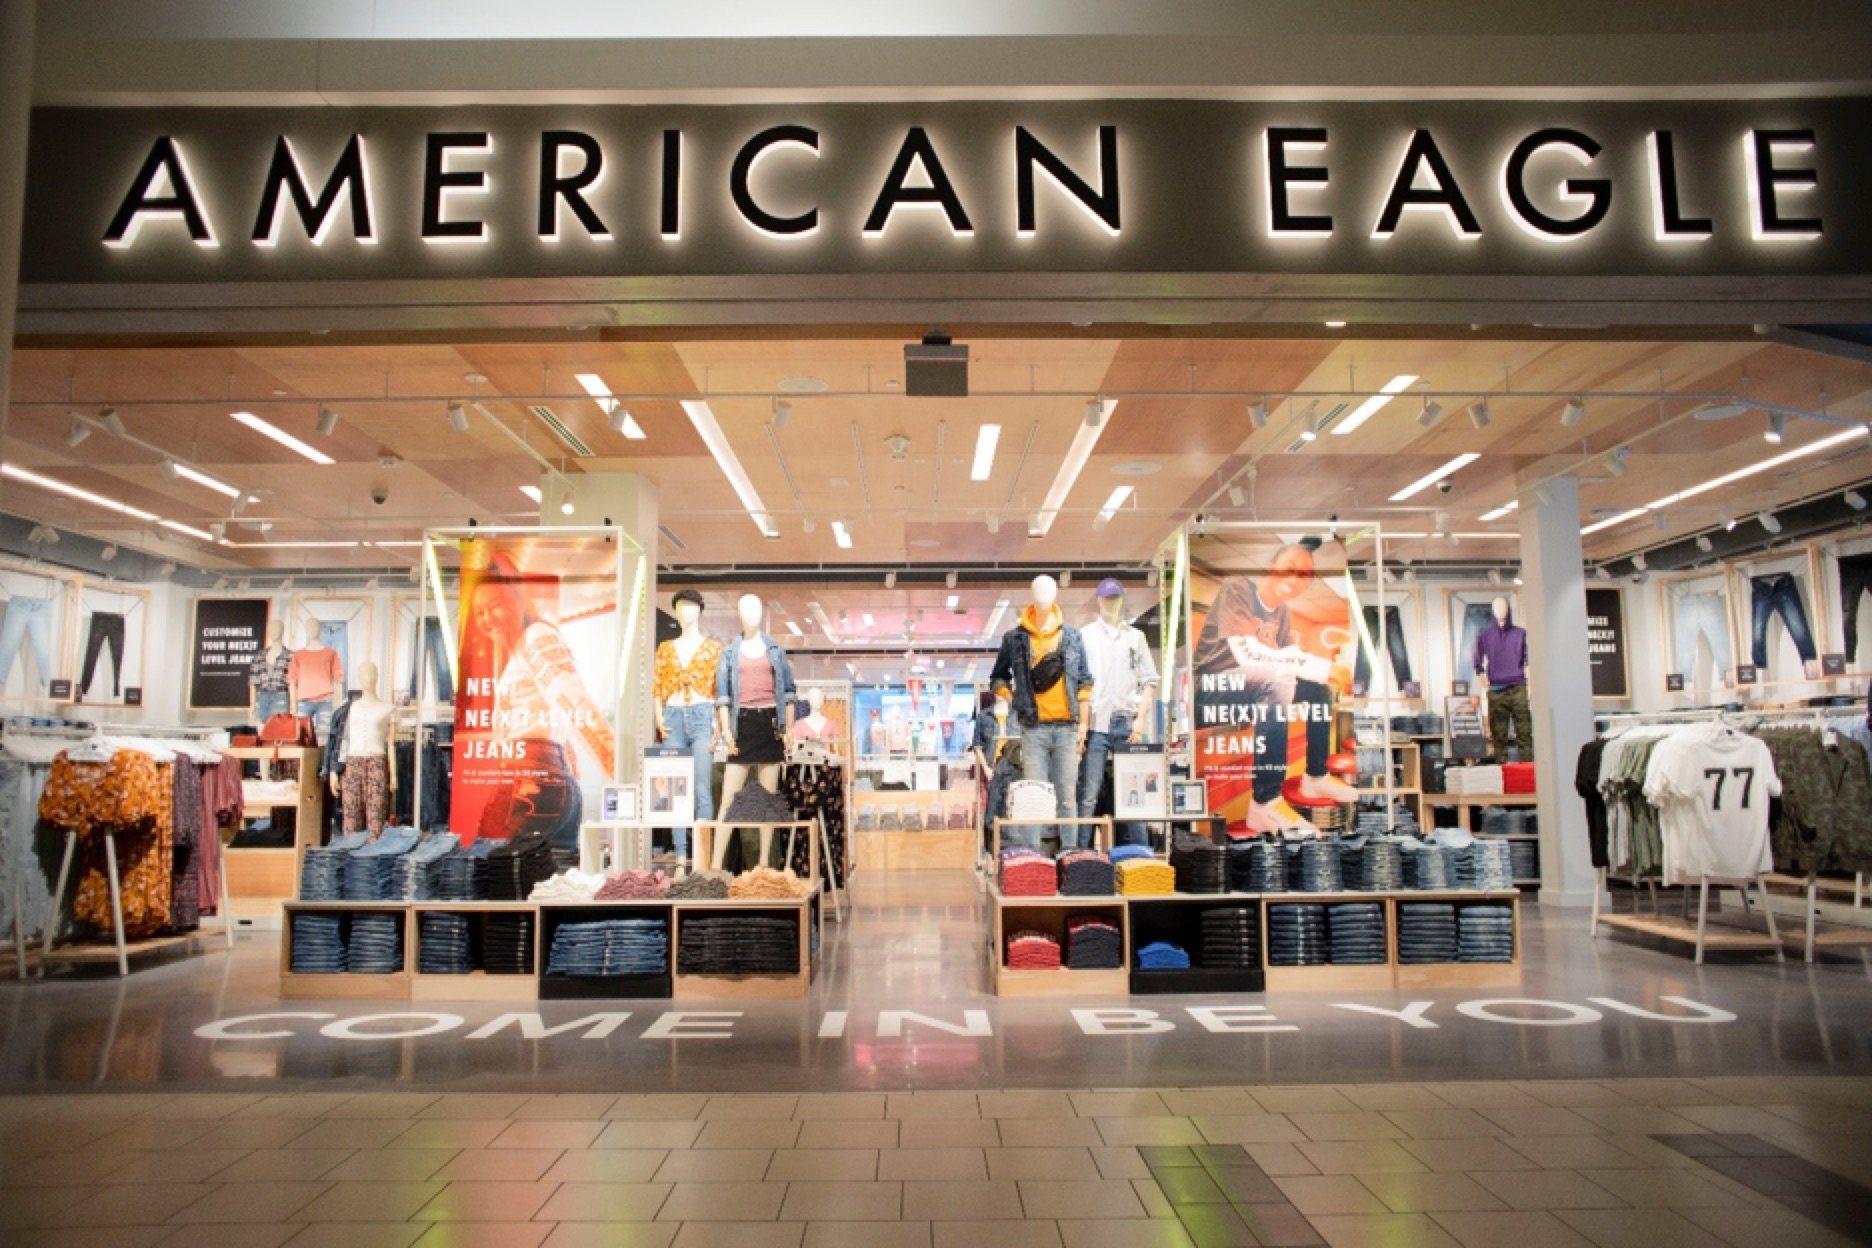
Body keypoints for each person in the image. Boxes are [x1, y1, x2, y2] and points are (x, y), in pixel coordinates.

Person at [1193, 541, 1357, 834]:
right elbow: (1249, 655)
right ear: (1271, 567)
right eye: (1290, 569)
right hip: (1209, 689)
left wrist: (1321, 673)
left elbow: (1292, 662)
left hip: (1248, 691)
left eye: (1304, 576)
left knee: (1318, 688)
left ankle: (1315, 776)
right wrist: (1321, 666)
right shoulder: (1237, 588)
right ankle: (1265, 802)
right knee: (1276, 678)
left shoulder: (1282, 613)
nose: (1295, 580)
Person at [466, 555, 617, 849]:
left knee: (491, 874)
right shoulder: (521, 649)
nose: (487, 619)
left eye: (495, 605)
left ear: (516, 600)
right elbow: (553, 710)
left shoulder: (536, 637)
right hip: (546, 779)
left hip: (529, 782)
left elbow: (575, 702)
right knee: (552, 884)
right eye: (479, 612)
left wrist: (617, 771)